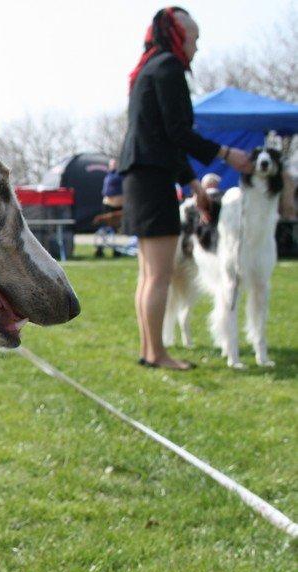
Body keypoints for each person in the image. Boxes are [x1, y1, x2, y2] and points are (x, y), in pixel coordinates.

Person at [118, 7, 252, 370]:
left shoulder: (149, 69)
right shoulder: (169, 68)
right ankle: (157, 353)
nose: (197, 46)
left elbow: (163, 137)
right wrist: (226, 154)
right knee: (159, 274)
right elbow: (179, 133)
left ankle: (150, 351)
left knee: (149, 274)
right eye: (193, 38)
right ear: (177, 36)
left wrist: (192, 182)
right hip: (152, 177)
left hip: (141, 175)